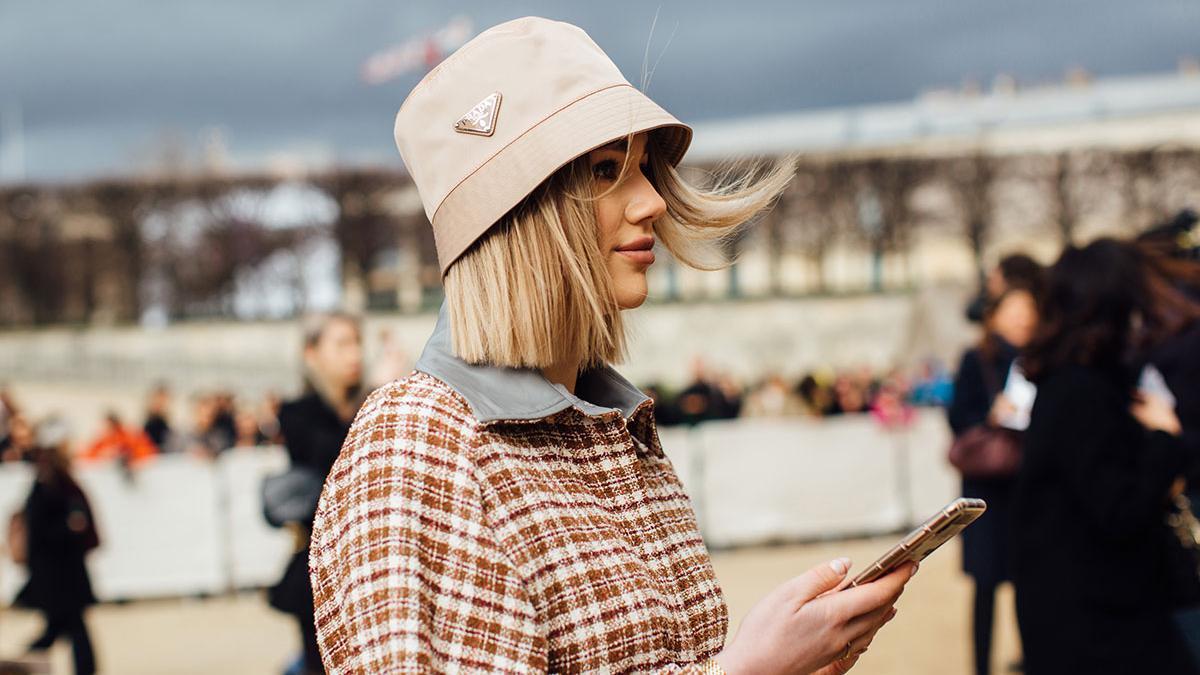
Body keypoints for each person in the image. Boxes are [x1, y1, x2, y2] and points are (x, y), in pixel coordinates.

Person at [308, 17, 916, 674]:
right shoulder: (416, 440)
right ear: (516, 214)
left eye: (645, 166)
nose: (653, 199)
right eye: (606, 168)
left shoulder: (614, 425)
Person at [1014, 239, 1199, 674]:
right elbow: (1120, 509)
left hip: (1086, 618)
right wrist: (1164, 437)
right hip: (1099, 629)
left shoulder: (1075, 384)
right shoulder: (1081, 393)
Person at [947, 286, 1039, 675]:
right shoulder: (975, 359)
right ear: (995, 315)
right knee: (986, 585)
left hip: (1027, 486)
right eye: (1014, 309)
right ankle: (981, 665)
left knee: (1030, 581)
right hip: (986, 490)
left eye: (1029, 309)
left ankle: (1032, 658)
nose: (1022, 317)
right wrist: (992, 413)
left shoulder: (1041, 359)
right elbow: (957, 419)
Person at [269, 312, 364, 675]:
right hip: (321, 563)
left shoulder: (371, 400)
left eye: (357, 343)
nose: (354, 354)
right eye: (341, 344)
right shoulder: (297, 412)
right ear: (311, 354)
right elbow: (331, 454)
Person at [15, 418, 99, 675]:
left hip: (61, 571)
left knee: (60, 628)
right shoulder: (48, 482)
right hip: (58, 573)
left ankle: (20, 667)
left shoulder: (54, 479)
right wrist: (69, 526)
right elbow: (41, 527)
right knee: (71, 628)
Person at [77, 412, 157, 465]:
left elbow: (145, 451)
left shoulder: (127, 435)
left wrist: (125, 454)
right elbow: (91, 452)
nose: (104, 428)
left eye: (107, 425)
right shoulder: (105, 438)